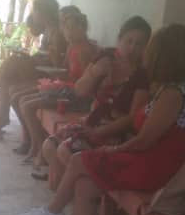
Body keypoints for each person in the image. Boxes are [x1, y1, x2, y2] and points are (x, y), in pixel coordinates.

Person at [17, 23, 185, 215]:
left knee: (81, 160)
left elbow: (145, 141)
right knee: (85, 185)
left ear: (163, 56)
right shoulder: (170, 90)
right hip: (152, 162)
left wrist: (115, 151)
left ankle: (52, 214)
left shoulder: (173, 94)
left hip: (159, 170)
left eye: (151, 49)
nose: (145, 53)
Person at [39, 16, 151, 186]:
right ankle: (68, 191)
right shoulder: (106, 56)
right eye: (129, 41)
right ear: (120, 39)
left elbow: (133, 118)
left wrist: (102, 131)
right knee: (49, 146)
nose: (133, 48)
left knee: (66, 151)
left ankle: (72, 193)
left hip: (116, 132)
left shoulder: (142, 75)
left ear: (145, 48)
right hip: (93, 121)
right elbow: (79, 90)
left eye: (139, 44)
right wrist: (95, 72)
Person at [13, 9, 99, 166]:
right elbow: (63, 70)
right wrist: (53, 59)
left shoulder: (86, 50)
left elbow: (86, 83)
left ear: (82, 29)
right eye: (66, 29)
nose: (68, 33)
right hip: (64, 88)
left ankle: (38, 148)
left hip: (76, 96)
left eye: (72, 28)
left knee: (27, 105)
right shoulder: (72, 47)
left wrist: (58, 82)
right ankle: (35, 144)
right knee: (23, 99)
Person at [0, 0, 65, 141]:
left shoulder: (56, 32)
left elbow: (56, 64)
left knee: (9, 68)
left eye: (35, 11)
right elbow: (45, 56)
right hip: (41, 70)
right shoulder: (49, 30)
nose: (33, 14)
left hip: (50, 78)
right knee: (10, 67)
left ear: (42, 13)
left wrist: (31, 60)